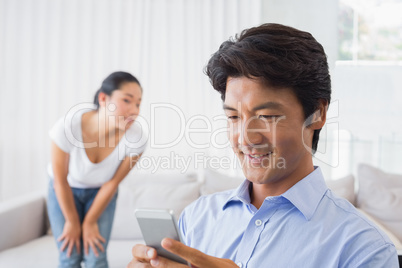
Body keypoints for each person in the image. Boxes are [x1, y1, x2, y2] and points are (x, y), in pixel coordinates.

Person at [127, 24, 399, 267]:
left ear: (317, 114)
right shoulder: (196, 218)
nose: (246, 138)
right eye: (233, 117)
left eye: (267, 116)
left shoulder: (364, 248)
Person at [47, 71, 146, 268]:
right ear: (103, 98)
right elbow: (60, 180)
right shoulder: (67, 127)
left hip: (101, 193)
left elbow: (112, 183)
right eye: (127, 100)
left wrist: (90, 221)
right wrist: (72, 221)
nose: (134, 110)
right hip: (65, 190)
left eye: (138, 103)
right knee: (70, 256)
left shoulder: (136, 138)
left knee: (96, 257)